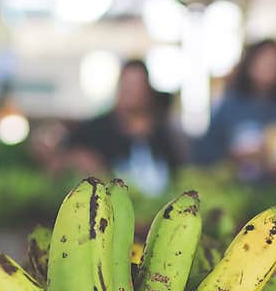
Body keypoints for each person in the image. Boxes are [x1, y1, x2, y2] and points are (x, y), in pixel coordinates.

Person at [55, 59, 183, 196]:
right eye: (127, 85)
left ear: (148, 91)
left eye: (136, 85)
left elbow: (178, 171)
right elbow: (60, 157)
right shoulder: (95, 130)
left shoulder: (164, 135)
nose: (130, 91)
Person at [191, 39, 276, 183]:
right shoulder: (230, 107)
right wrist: (233, 156)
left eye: (274, 65)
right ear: (250, 65)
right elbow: (205, 152)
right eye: (264, 63)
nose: (269, 69)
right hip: (235, 189)